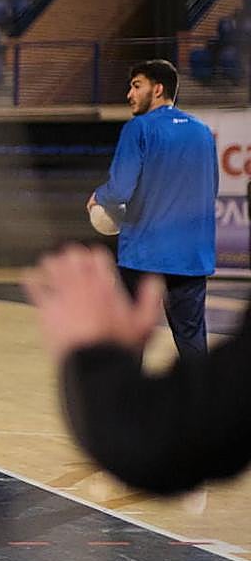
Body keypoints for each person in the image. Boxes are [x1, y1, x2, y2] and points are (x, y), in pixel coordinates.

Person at [23, 244, 251, 495]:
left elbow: (149, 441)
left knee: (140, 330)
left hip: (145, 255)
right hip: (192, 256)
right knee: (190, 333)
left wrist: (92, 356)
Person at [88, 59, 217, 362]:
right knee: (192, 343)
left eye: (136, 86)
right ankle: (203, 394)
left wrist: (98, 197)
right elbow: (210, 190)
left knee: (130, 339)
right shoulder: (203, 132)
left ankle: (130, 394)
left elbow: (120, 190)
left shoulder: (139, 128)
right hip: (191, 256)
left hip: (144, 254)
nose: (129, 94)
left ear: (157, 89)